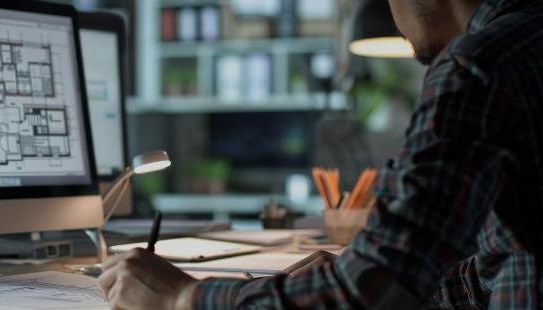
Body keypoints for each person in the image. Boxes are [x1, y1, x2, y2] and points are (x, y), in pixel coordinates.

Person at [98, 0, 543, 308]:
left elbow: (361, 296)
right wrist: (375, 276)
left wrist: (183, 297)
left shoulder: (477, 67)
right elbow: (500, 271)